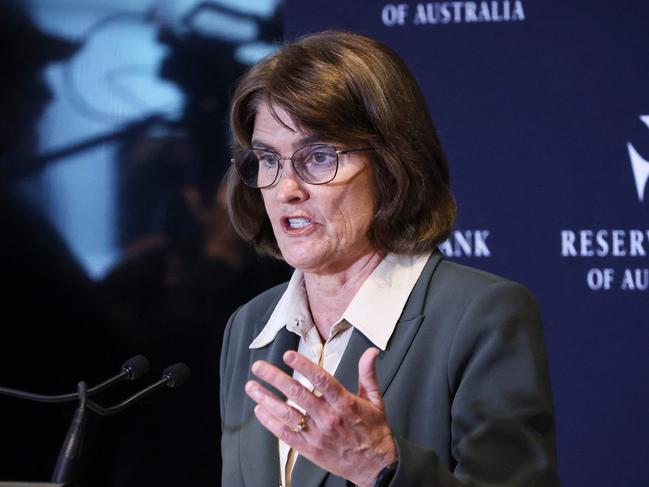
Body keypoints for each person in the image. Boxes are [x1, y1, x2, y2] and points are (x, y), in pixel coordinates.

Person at [219, 31, 560, 487]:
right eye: (268, 159)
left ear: (391, 163)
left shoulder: (480, 316)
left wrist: (381, 469)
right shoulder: (250, 325)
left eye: (317, 157)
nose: (286, 190)